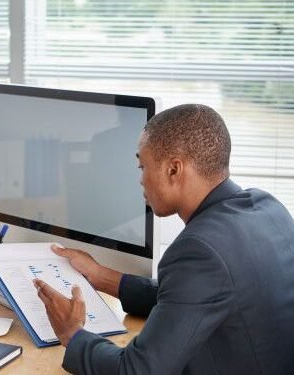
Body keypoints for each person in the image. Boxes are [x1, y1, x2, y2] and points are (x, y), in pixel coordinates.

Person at [34, 104, 294, 374]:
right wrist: (100, 276)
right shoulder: (268, 207)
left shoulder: (199, 250)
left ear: (173, 169)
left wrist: (72, 333)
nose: (140, 180)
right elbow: (190, 296)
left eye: (143, 166)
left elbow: (136, 371)